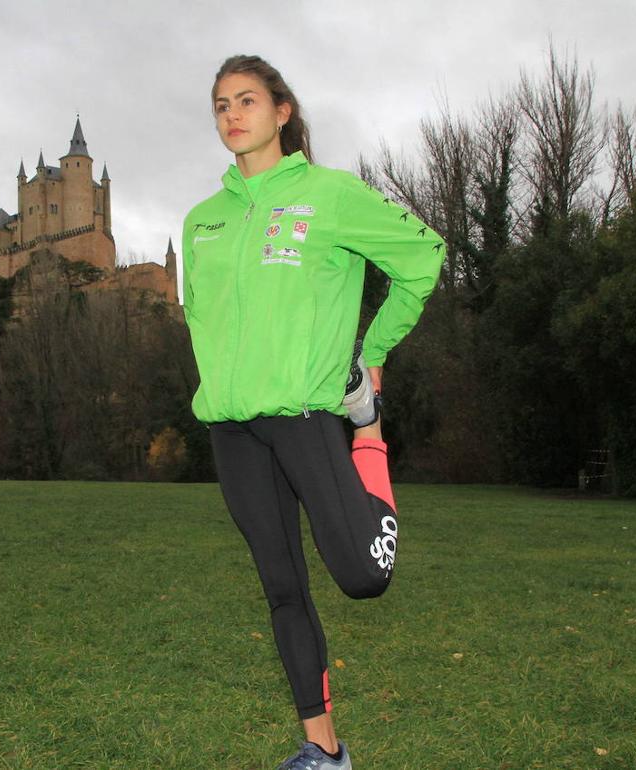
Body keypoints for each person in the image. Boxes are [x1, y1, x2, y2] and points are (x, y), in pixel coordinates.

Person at [179, 54, 446, 770]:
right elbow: (203, 319)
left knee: (363, 575)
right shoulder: (202, 221)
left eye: (246, 100)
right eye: (220, 105)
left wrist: (372, 353)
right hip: (232, 427)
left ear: (282, 111)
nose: (231, 115)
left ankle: (371, 432)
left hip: (306, 414)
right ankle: (323, 753)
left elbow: (424, 256)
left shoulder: (330, 195)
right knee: (282, 586)